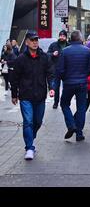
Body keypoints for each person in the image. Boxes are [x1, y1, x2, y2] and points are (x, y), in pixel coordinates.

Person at [10, 31, 55, 160]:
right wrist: (14, 95)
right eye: (32, 40)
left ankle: (31, 136)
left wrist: (51, 88)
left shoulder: (44, 57)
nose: (35, 42)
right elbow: (15, 78)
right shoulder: (21, 59)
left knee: (38, 122)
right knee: (28, 122)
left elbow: (50, 73)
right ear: (27, 42)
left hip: (40, 95)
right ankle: (29, 148)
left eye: (36, 40)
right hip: (26, 96)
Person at [57, 30, 90, 142]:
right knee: (81, 107)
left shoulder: (65, 51)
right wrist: (84, 76)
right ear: (80, 38)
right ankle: (79, 133)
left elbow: (60, 69)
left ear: (70, 39)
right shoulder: (87, 51)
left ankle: (71, 124)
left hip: (68, 83)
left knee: (64, 104)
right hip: (82, 83)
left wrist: (65, 78)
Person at [47, 30, 68, 108]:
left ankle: (65, 101)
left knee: (66, 87)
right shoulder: (53, 45)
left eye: (63, 36)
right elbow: (47, 54)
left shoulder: (68, 45)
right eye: (60, 35)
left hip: (66, 70)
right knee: (56, 87)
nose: (61, 37)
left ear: (66, 37)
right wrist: (52, 54)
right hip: (56, 69)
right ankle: (56, 102)